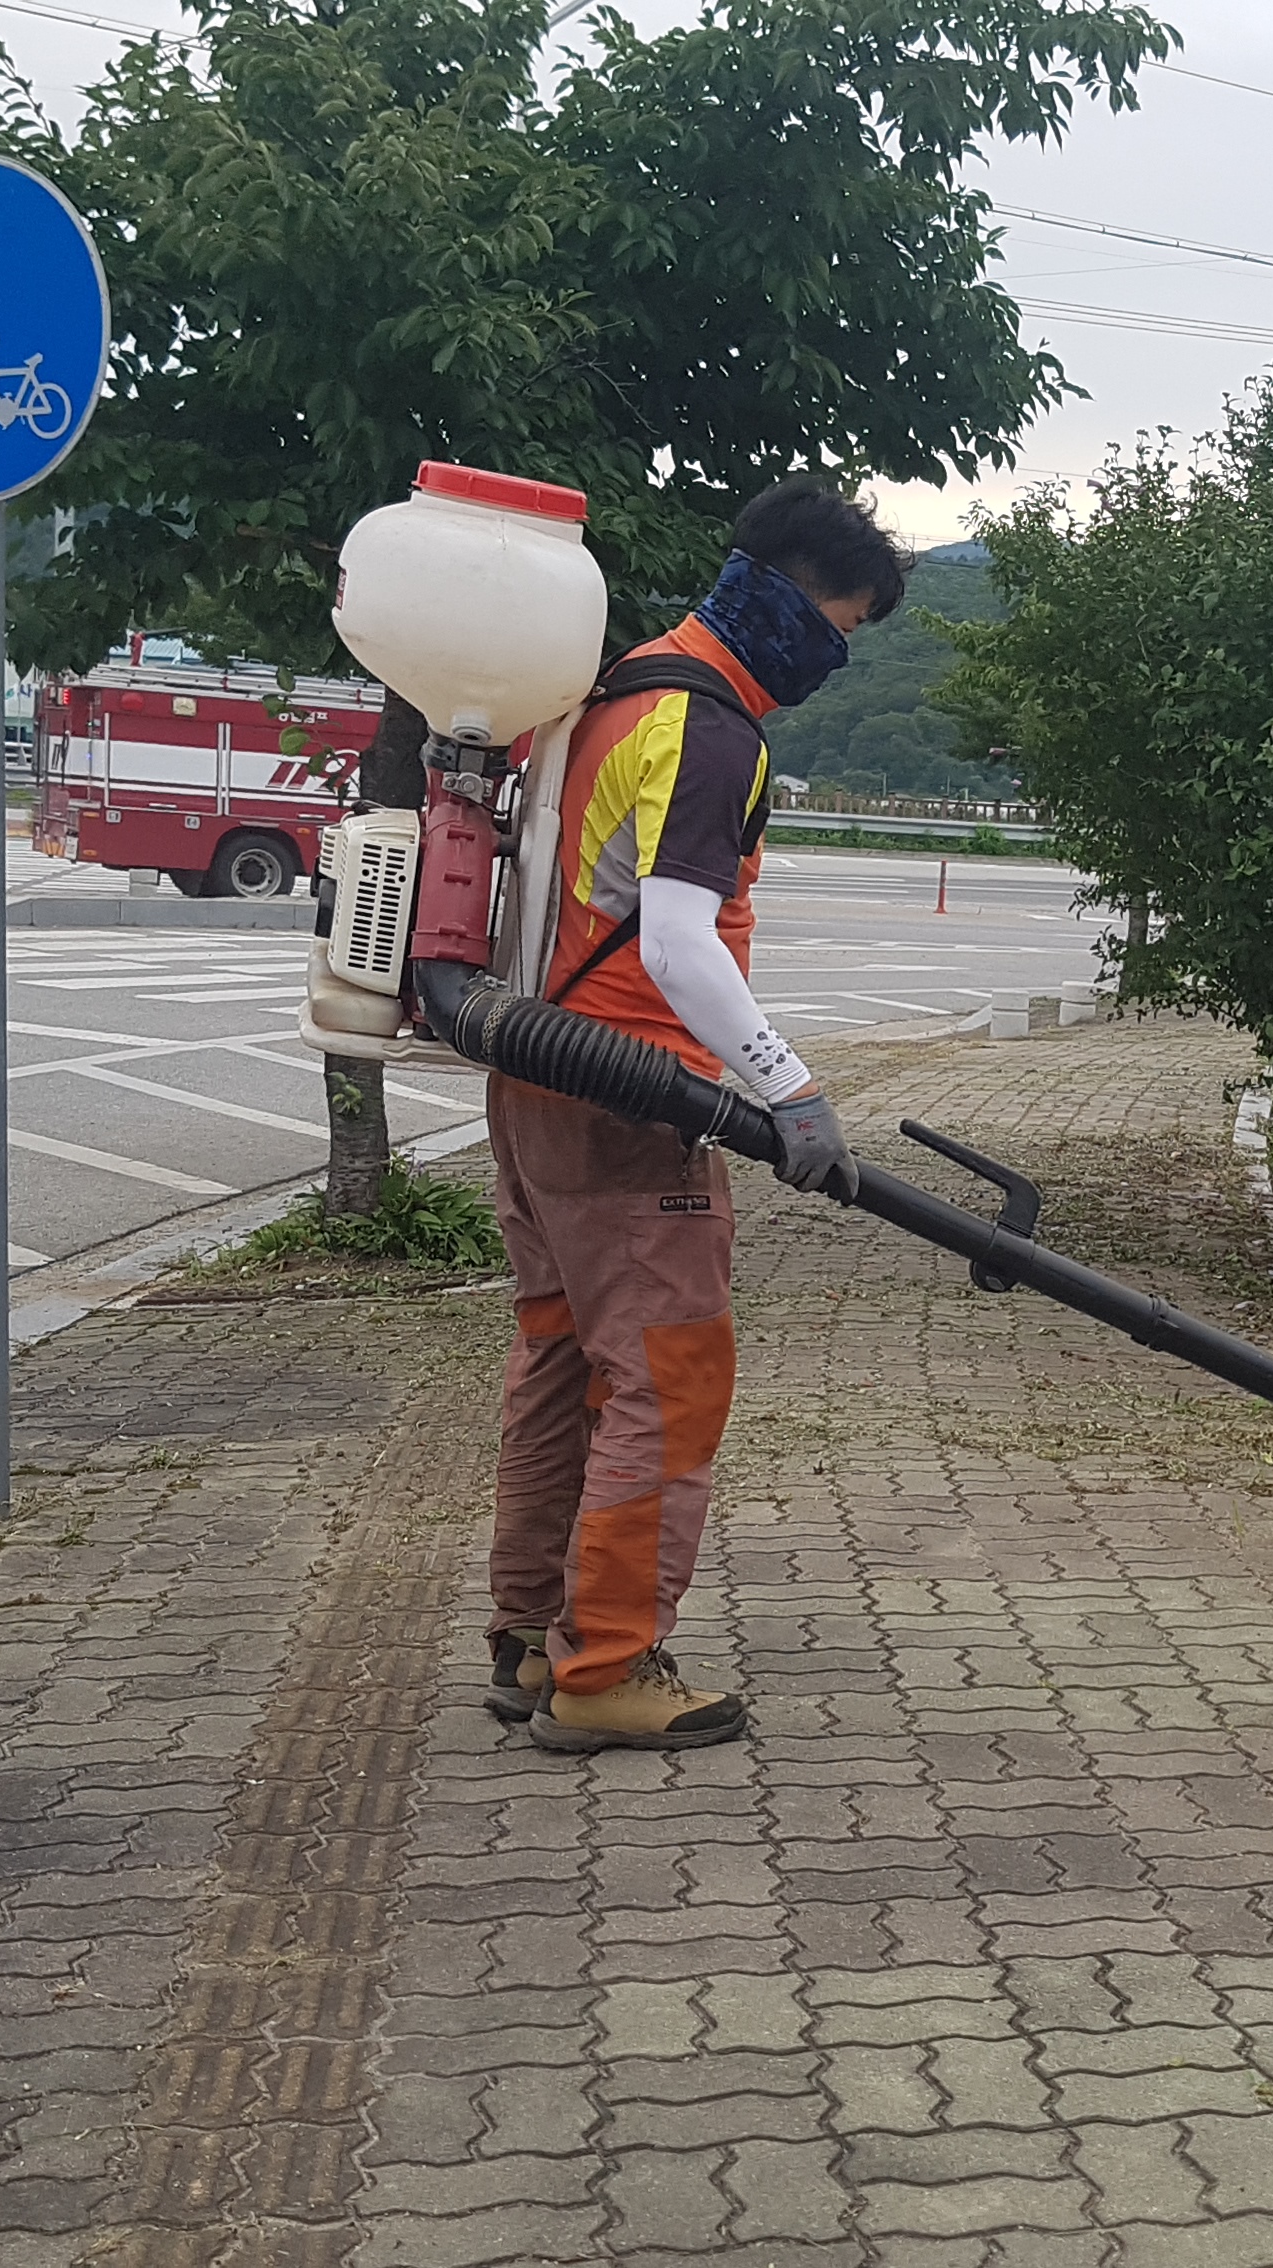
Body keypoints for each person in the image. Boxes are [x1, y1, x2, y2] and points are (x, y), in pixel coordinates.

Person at [479, 476, 906, 1754]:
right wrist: (791, 1088)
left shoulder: (612, 690)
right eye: (840, 626)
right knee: (666, 1382)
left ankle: (529, 1639)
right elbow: (676, 942)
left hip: (534, 1082)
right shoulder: (711, 734)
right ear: (789, 599)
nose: (833, 658)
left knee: (561, 1361)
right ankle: (605, 1670)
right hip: (629, 1101)